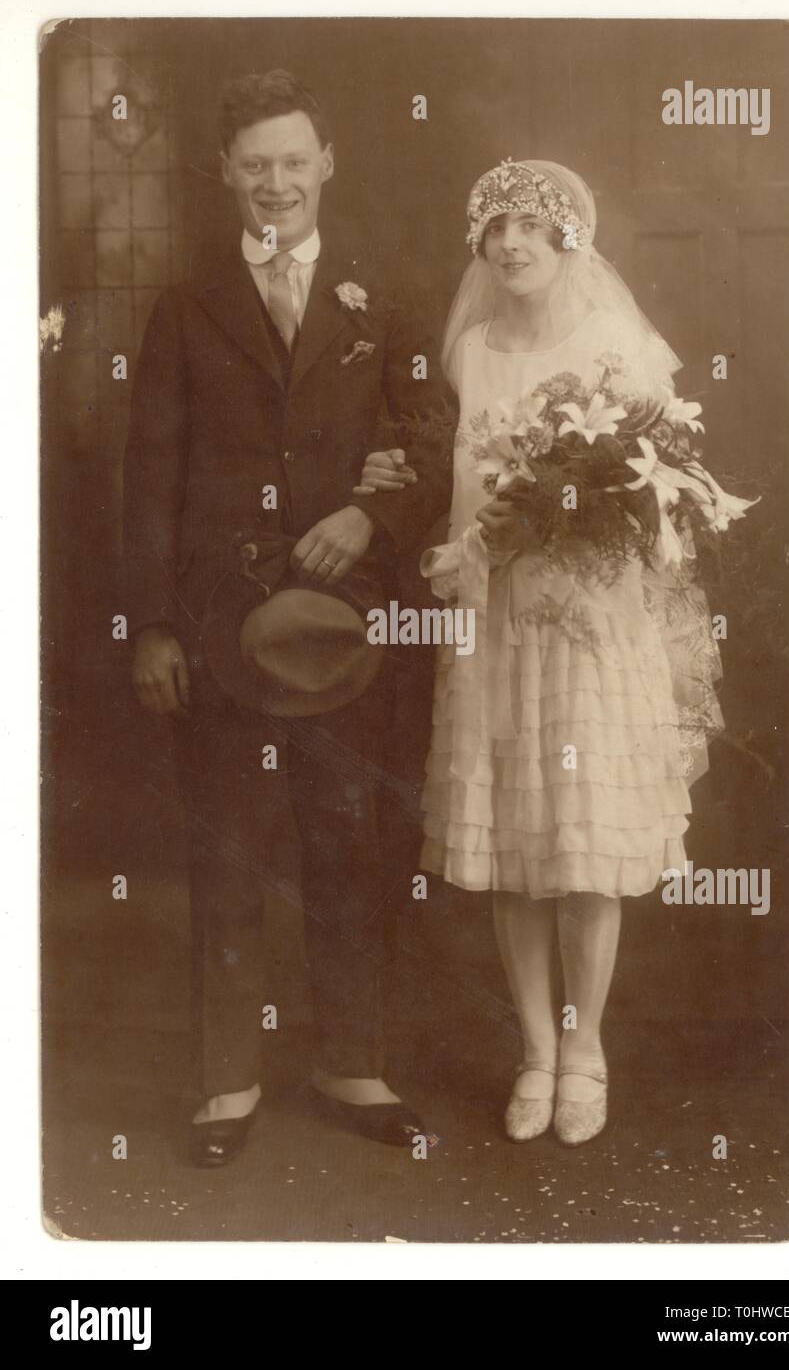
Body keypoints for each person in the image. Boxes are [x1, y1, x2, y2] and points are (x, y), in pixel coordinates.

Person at [356, 159, 723, 1146]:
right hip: (496, 617)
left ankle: (585, 1047)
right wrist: (463, 549)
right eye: (493, 229)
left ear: (568, 240)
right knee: (515, 849)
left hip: (592, 619)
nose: (509, 245)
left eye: (530, 227)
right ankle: (533, 1048)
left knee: (584, 846)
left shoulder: (614, 345)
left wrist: (593, 515)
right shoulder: (471, 350)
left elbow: (663, 484)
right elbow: (469, 481)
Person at [123, 68, 452, 1165]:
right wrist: (152, 628)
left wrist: (369, 514)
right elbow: (148, 477)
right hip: (216, 618)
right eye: (253, 165)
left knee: (347, 838)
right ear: (227, 175)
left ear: (326, 165)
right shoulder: (185, 303)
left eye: (292, 162)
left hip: (343, 625)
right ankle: (224, 1079)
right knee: (226, 843)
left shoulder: (383, 296)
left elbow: (434, 436)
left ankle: (349, 1060)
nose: (275, 184)